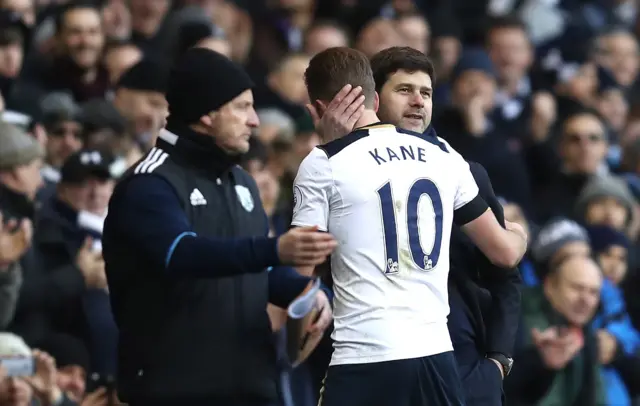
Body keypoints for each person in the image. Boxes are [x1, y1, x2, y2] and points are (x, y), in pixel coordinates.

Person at [293, 47, 528, 406]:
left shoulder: (325, 162)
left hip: (366, 356)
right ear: (374, 97)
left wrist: (497, 362)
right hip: (436, 358)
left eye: (427, 92)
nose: (418, 101)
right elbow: (506, 252)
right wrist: (520, 234)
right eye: (404, 90)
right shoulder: (446, 157)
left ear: (319, 109)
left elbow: (299, 275)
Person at [102, 48, 337, 406]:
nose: (254, 120)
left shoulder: (241, 183)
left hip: (251, 387)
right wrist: (274, 250)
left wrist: (306, 291)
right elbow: (180, 254)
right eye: (242, 107)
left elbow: (251, 272)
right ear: (207, 113)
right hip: (174, 391)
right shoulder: (149, 184)